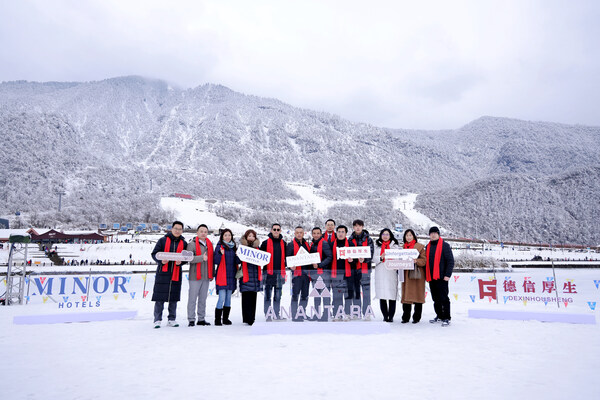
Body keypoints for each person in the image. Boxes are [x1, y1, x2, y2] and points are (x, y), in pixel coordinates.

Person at [150, 221, 188, 328]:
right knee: (159, 297)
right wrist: (161, 261)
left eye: (180, 229)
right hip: (163, 273)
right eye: (176, 228)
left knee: (173, 297)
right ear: (171, 229)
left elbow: (187, 258)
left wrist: (182, 262)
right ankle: (157, 319)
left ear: (182, 230)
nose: (177, 231)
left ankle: (172, 319)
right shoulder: (162, 240)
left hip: (176, 273)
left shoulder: (184, 243)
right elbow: (154, 254)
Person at [186, 224, 214, 327]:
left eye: (205, 232)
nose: (203, 233)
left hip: (206, 276)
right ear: (197, 233)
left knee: (203, 299)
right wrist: (201, 258)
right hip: (195, 276)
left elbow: (212, 260)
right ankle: (191, 319)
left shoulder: (210, 245)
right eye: (201, 231)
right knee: (192, 298)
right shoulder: (191, 244)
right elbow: (188, 258)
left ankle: (201, 318)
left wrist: (212, 274)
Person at [425, 226, 454, 327]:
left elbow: (450, 261)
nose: (433, 235)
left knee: (444, 298)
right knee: (435, 298)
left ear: (438, 234)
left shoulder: (444, 246)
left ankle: (446, 317)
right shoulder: (427, 247)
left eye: (435, 233)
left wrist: (447, 275)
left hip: (442, 277)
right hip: (431, 277)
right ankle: (439, 315)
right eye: (431, 233)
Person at [213, 228, 241, 326]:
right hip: (222, 275)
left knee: (228, 298)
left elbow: (237, 262)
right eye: (225, 235)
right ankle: (217, 319)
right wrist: (220, 254)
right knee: (221, 298)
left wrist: (238, 256)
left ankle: (225, 318)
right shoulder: (219, 246)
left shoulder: (234, 247)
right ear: (222, 237)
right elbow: (215, 260)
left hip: (231, 275)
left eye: (229, 235)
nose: (228, 237)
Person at [348, 219, 374, 319]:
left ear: (362, 227)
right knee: (355, 292)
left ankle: (367, 313)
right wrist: (351, 260)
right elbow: (349, 253)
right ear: (353, 227)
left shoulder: (368, 239)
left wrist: (365, 259)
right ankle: (356, 312)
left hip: (365, 270)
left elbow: (371, 253)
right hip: (354, 270)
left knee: (366, 292)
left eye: (360, 225)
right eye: (356, 226)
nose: (358, 227)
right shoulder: (350, 240)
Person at [260, 223, 287, 320]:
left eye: (278, 229)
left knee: (278, 296)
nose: (276, 231)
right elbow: (259, 257)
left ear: (280, 231)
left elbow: (287, 259)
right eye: (274, 229)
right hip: (268, 273)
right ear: (271, 230)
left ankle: (276, 314)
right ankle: (268, 315)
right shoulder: (265, 243)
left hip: (279, 273)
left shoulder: (283, 243)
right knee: (267, 296)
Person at [373, 228, 400, 322]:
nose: (385, 236)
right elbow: (373, 258)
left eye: (387, 234)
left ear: (390, 235)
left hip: (391, 271)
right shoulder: (377, 246)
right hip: (380, 271)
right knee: (382, 294)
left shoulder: (395, 246)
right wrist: (381, 257)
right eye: (383, 234)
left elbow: (399, 258)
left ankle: (391, 316)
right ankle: (385, 316)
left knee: (392, 294)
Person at [400, 229, 427, 323]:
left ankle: (416, 317)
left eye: (410, 235)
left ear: (414, 236)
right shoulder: (402, 248)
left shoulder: (420, 247)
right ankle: (405, 317)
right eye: (407, 235)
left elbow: (424, 260)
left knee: (418, 296)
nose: (408, 237)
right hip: (406, 274)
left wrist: (416, 261)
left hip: (417, 275)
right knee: (406, 297)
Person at [286, 226, 311, 321]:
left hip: (306, 274)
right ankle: (294, 314)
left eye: (301, 232)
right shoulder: (291, 245)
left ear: (304, 233)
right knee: (295, 295)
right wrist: (290, 266)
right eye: (297, 232)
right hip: (296, 275)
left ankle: (302, 312)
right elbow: (286, 260)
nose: (299, 234)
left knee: (305, 295)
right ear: (295, 234)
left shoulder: (307, 244)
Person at [309, 227, 333, 321]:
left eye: (318, 233)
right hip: (314, 273)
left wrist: (319, 265)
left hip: (324, 272)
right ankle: (317, 313)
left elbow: (329, 257)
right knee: (316, 294)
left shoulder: (324, 243)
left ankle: (326, 314)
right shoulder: (312, 244)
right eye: (314, 233)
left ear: (321, 234)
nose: (316, 235)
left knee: (325, 294)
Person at [239, 229, 262, 325]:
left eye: (253, 236)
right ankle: (246, 318)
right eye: (249, 236)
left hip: (255, 275)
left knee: (253, 297)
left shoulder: (257, 249)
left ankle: (252, 318)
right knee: (246, 297)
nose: (251, 238)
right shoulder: (242, 248)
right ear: (246, 237)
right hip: (245, 275)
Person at [330, 225, 351, 320]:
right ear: (336, 233)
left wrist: (353, 260)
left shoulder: (350, 244)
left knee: (347, 295)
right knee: (336, 295)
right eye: (339, 231)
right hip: (335, 273)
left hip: (348, 273)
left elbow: (356, 260)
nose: (341, 233)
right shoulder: (331, 244)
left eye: (343, 232)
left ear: (346, 233)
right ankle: (337, 314)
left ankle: (347, 313)